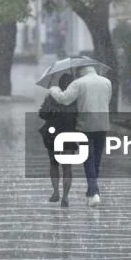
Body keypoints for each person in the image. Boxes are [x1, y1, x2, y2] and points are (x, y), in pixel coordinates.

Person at [49, 64, 112, 208]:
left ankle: (94, 192)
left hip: (86, 125)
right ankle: (92, 193)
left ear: (79, 71)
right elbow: (107, 101)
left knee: (88, 159)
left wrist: (54, 89)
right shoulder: (106, 82)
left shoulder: (78, 83)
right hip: (102, 124)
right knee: (96, 160)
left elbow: (64, 99)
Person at [39, 73, 77, 208]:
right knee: (67, 166)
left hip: (53, 134)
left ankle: (56, 192)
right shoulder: (75, 97)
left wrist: (51, 109)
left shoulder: (52, 96)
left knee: (54, 163)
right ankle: (65, 197)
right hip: (70, 133)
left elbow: (42, 114)